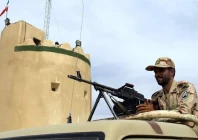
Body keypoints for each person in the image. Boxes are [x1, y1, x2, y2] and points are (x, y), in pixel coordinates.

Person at [136, 57, 198, 133]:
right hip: (168, 134)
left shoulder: (185, 88)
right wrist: (144, 111)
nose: (157, 75)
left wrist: (153, 113)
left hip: (190, 134)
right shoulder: (156, 96)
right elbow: (151, 119)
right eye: (155, 72)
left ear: (171, 72)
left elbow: (183, 113)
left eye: (161, 70)